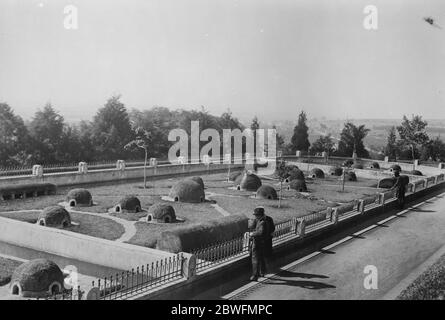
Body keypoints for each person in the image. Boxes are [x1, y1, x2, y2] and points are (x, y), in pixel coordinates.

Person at [249, 206, 275, 281]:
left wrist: (252, 234)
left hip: (258, 242)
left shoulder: (262, 222)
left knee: (255, 259)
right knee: (263, 258)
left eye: (256, 215)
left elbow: (260, 232)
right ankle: (262, 272)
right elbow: (273, 228)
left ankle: (255, 276)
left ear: (260, 215)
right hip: (266, 242)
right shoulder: (268, 219)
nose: (255, 216)